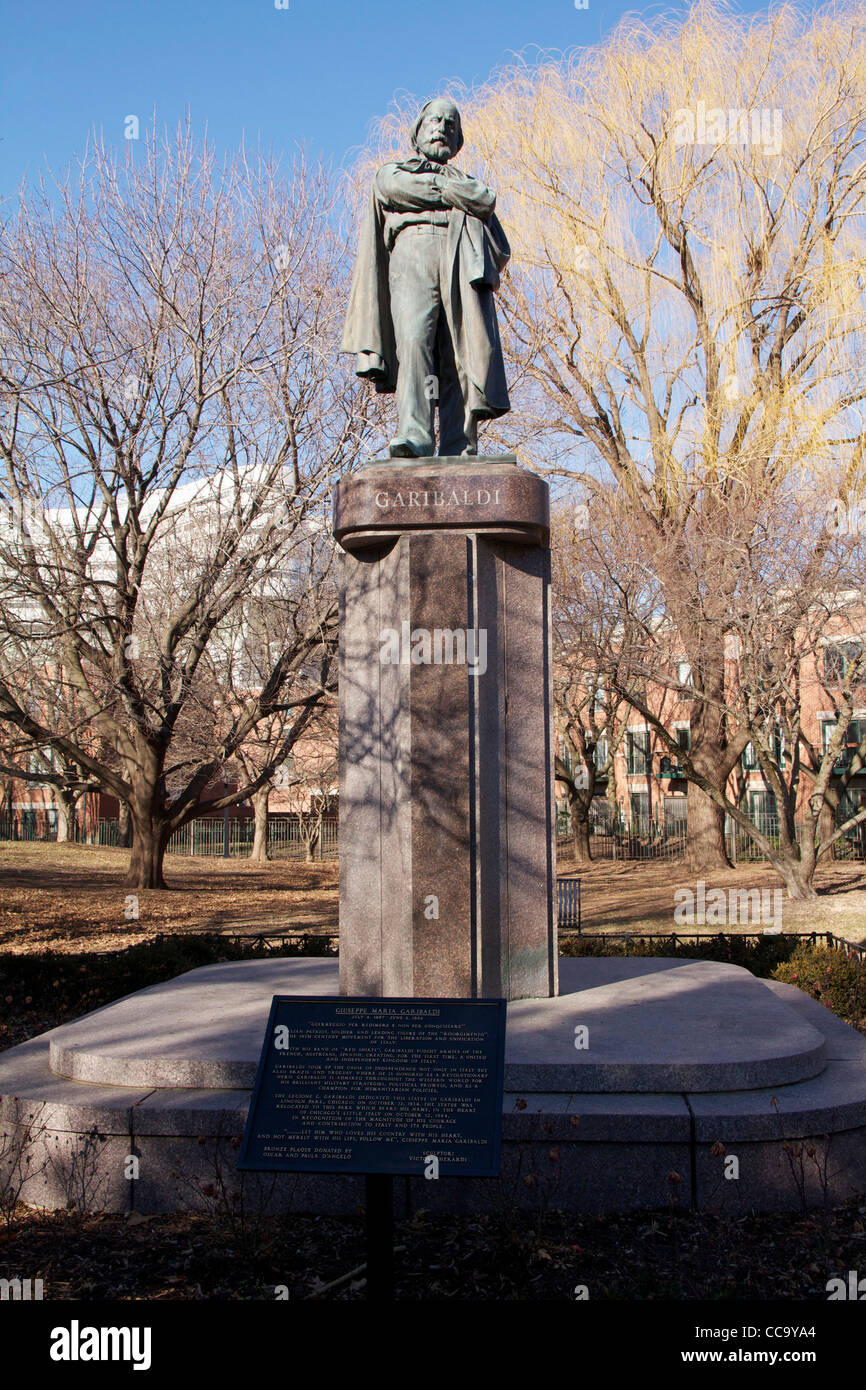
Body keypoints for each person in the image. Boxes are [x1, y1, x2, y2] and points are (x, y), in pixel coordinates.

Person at [341, 98, 511, 458]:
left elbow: (490, 215)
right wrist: (452, 194)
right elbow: (395, 189)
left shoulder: (467, 182)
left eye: (451, 123)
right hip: (413, 255)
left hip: (459, 261)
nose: (442, 127)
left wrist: (461, 195)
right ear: (417, 131)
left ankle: (459, 441)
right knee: (415, 343)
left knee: (457, 355)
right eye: (435, 120)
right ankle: (415, 434)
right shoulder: (394, 171)